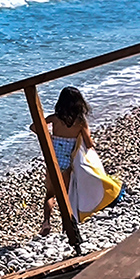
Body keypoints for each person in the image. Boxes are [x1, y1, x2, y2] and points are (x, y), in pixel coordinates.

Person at [33, 86, 94, 236]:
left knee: (50, 194)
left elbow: (34, 127)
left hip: (52, 159)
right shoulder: (80, 122)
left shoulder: (55, 118)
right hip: (67, 162)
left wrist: (49, 137)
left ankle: (46, 222)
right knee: (65, 195)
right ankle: (66, 225)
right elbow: (89, 144)